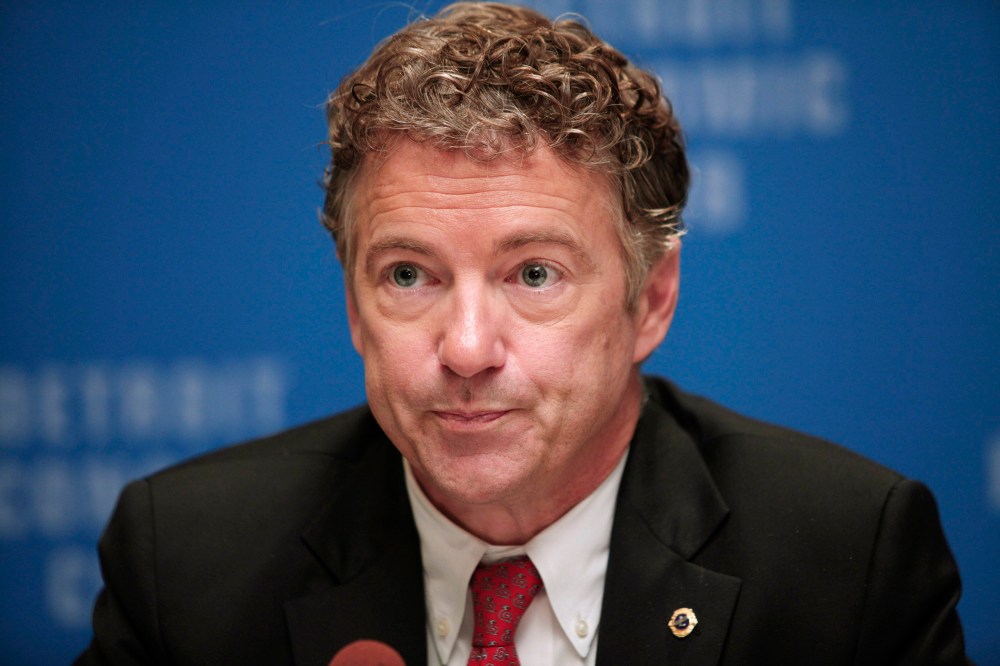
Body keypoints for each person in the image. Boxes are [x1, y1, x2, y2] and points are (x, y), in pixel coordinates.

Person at [76, 3, 968, 664]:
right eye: (409, 275)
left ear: (652, 300)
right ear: (353, 303)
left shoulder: (847, 561)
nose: (466, 349)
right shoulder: (187, 564)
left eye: (534, 274)